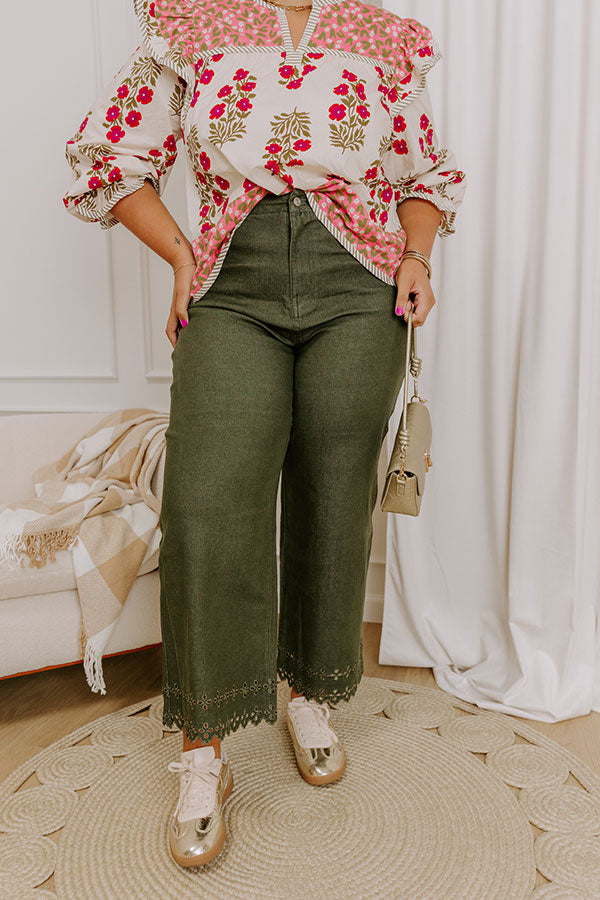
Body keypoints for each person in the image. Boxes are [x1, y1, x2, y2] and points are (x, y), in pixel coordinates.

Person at [62, 0, 467, 869]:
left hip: (358, 286)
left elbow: (422, 173)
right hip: (229, 286)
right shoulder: (191, 24)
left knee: (335, 495)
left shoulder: (381, 35)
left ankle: (309, 695)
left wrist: (416, 256)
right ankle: (203, 748)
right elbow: (111, 155)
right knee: (207, 505)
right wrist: (181, 256)